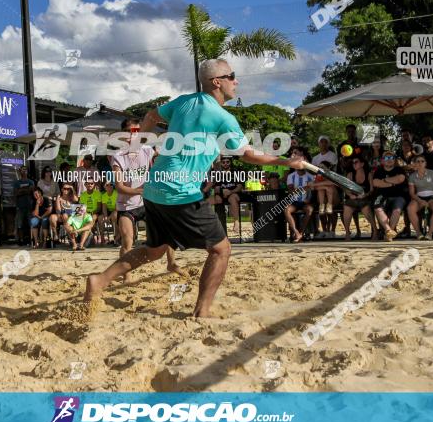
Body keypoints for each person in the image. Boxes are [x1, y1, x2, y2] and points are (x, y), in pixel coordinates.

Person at [83, 58, 306, 318]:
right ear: (217, 82)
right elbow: (248, 155)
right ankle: (203, 310)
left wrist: (139, 144)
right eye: (231, 76)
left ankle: (99, 280)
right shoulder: (223, 117)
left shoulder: (184, 101)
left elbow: (151, 116)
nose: (236, 81)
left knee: (154, 251)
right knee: (221, 249)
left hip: (154, 187)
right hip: (179, 191)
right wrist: (287, 161)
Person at [111, 117, 183, 280]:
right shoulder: (118, 156)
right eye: (130, 133)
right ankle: (126, 274)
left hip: (145, 202)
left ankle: (171, 263)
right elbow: (119, 187)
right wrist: (140, 190)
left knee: (168, 231)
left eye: (136, 132)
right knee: (128, 240)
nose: (133, 136)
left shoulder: (147, 150)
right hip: (126, 206)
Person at [406, 155, 433, 240]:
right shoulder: (412, 176)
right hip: (419, 197)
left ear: (426, 163)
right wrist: (420, 200)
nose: (420, 163)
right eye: (418, 161)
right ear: (415, 164)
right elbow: (411, 193)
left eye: (422, 161)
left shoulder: (431, 173)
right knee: (410, 208)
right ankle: (418, 233)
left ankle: (430, 233)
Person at [372, 151, 409, 241]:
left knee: (397, 210)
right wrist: (392, 183)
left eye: (391, 158)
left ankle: (389, 233)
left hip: (398, 195)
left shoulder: (399, 169)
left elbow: (400, 179)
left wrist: (384, 180)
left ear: (394, 160)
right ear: (383, 160)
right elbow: (376, 183)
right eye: (387, 158)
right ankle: (389, 230)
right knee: (377, 208)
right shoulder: (379, 170)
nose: (389, 160)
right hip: (382, 195)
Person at [342, 156, 376, 241]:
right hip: (353, 199)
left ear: (362, 164)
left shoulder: (369, 174)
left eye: (356, 162)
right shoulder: (350, 174)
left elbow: (372, 190)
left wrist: (365, 195)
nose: (354, 164)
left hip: (365, 198)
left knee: (366, 209)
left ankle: (375, 231)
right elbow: (346, 188)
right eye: (353, 163)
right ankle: (347, 232)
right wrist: (350, 195)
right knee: (347, 208)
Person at [284, 151, 315, 242]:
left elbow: (312, 191)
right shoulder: (291, 176)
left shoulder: (311, 176)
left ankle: (300, 233)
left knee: (309, 209)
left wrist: (308, 198)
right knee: (286, 210)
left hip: (306, 201)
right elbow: (291, 191)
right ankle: (296, 232)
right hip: (295, 202)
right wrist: (305, 188)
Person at [215, 157, 244, 237]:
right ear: (221, 163)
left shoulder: (236, 172)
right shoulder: (219, 174)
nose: (225, 164)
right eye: (223, 162)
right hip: (223, 195)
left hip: (234, 194)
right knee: (214, 200)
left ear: (230, 162)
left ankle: (236, 221)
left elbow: (239, 187)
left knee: (232, 198)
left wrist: (230, 192)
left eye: (227, 162)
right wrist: (221, 192)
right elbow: (216, 189)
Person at [12, 167, 35, 246]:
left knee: (31, 223)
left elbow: (32, 191)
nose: (24, 171)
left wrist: (21, 190)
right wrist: (26, 189)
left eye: (26, 170)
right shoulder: (16, 182)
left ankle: (31, 239)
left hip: (30, 205)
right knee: (19, 224)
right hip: (20, 206)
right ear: (20, 172)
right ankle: (21, 240)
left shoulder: (31, 181)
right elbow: (16, 193)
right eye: (22, 170)